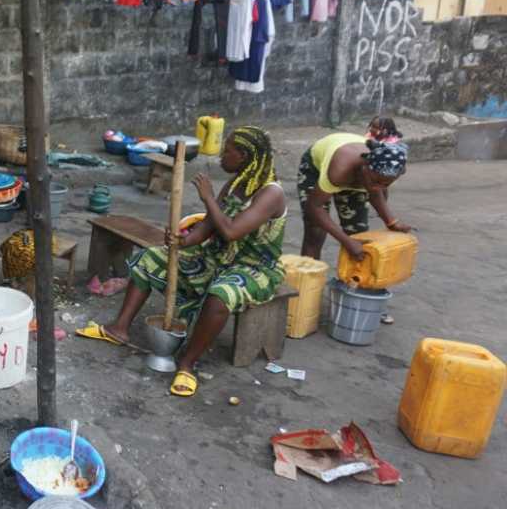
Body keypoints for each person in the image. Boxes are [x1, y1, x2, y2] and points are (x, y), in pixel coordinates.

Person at [103, 127, 287, 397]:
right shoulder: (236, 184)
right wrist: (182, 242)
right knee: (152, 258)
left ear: (245, 155)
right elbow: (210, 226)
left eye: (228, 151)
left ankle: (187, 363)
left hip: (253, 269)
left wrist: (209, 198)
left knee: (220, 295)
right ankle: (119, 328)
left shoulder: (271, 194)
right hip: (216, 258)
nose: (222, 155)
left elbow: (232, 231)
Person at [297, 132, 412, 263]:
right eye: (374, 181)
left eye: (385, 184)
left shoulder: (387, 170)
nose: (377, 187)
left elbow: (376, 193)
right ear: (365, 166)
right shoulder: (341, 169)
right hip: (315, 168)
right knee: (315, 230)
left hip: (354, 174)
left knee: (358, 233)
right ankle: (308, 278)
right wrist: (347, 241)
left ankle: (350, 280)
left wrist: (392, 222)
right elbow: (314, 207)